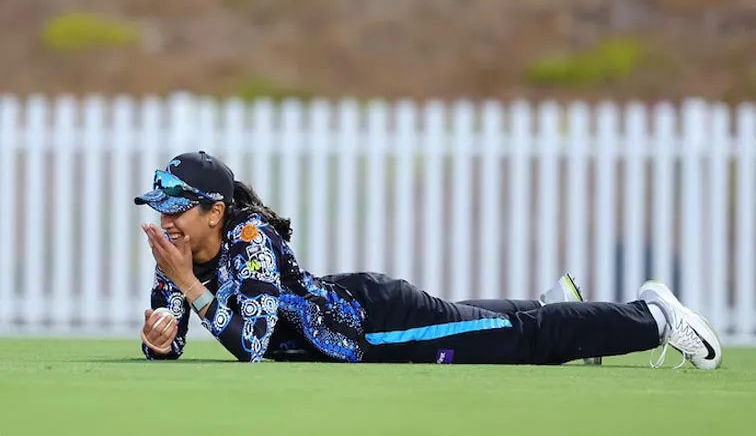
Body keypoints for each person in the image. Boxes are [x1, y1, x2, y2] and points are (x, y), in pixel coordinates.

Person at [135, 150, 722, 370]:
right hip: (362, 322)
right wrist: (159, 339)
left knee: (521, 342)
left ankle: (657, 319)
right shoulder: (183, 254)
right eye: (161, 208)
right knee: (483, 321)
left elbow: (251, 345)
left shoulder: (248, 240)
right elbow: (176, 335)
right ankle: (562, 308)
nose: (166, 221)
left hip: (379, 323)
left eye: (176, 208)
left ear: (214, 212)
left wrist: (185, 285)